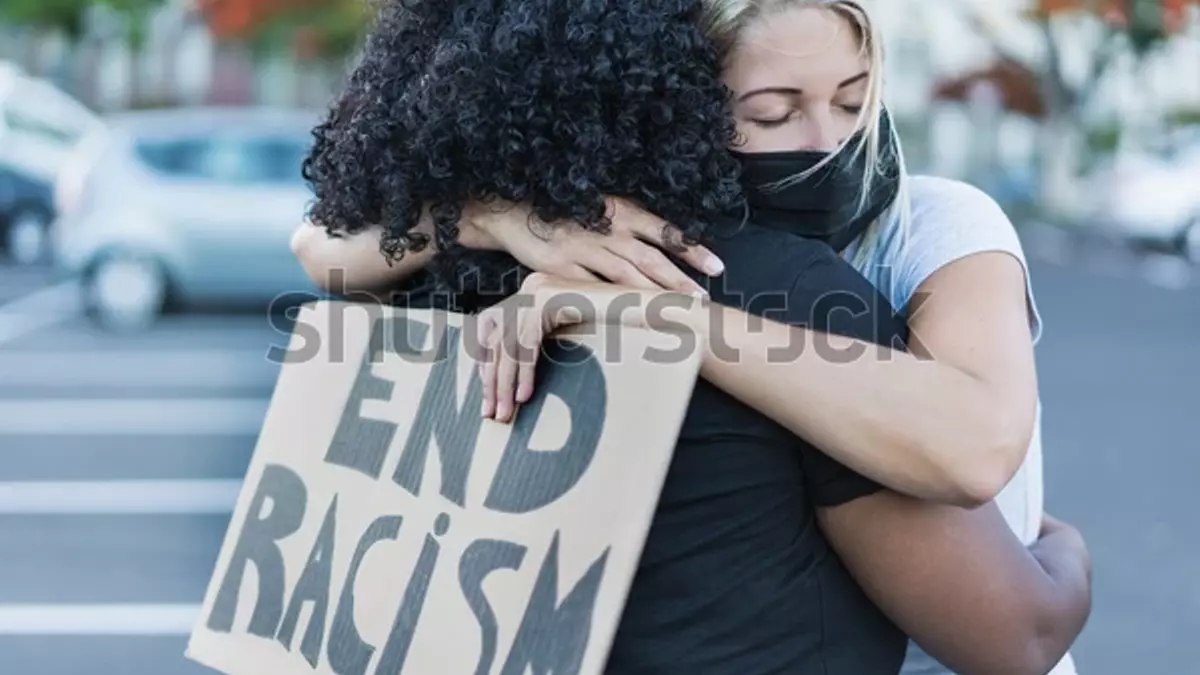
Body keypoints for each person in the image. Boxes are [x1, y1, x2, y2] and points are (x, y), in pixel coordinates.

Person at [296, 1, 1091, 674]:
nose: (827, 142)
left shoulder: (446, 266)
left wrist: (500, 229)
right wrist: (1065, 550)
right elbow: (1012, 632)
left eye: (855, 102)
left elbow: (326, 250)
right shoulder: (794, 292)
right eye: (772, 114)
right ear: (668, 101)